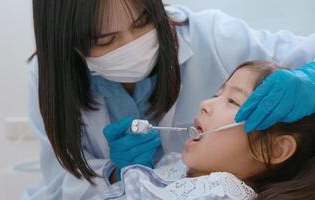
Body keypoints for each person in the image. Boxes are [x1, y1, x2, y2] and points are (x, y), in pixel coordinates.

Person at [23, 0, 315, 199]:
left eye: (144, 21)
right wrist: (114, 177)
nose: (205, 103)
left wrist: (310, 79)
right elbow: (57, 187)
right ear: (68, 45)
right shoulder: (50, 79)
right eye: (105, 41)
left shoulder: (215, 38)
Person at [92, 61, 315, 200]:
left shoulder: (220, 194)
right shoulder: (173, 166)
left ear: (277, 150)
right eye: (217, 94)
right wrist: (137, 177)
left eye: (233, 101)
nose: (205, 103)